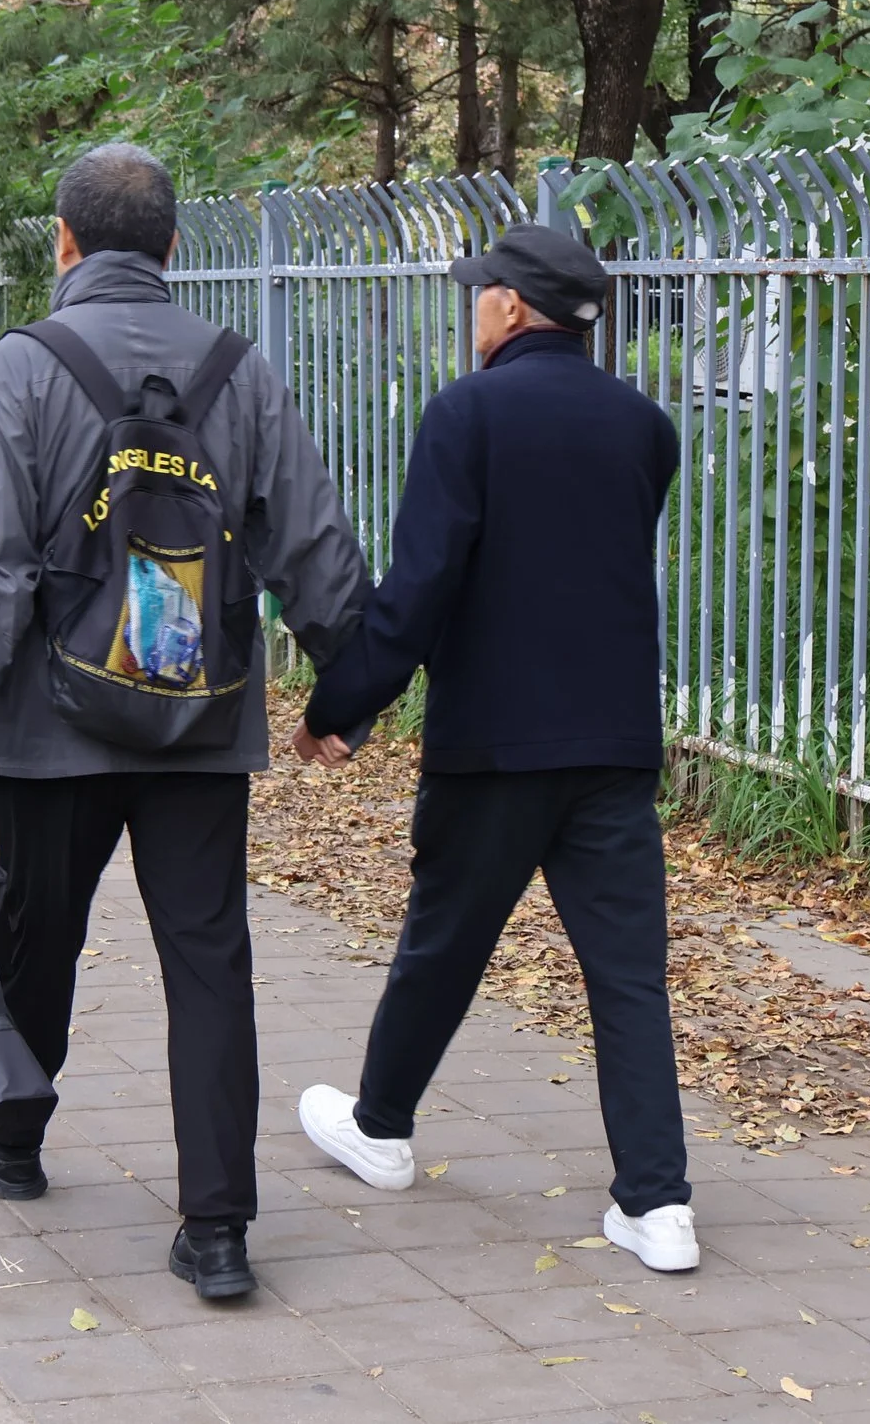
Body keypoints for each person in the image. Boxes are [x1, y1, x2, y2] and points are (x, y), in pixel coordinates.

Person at [0, 142, 370, 1302]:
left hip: (50, 726)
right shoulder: (238, 368)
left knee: (37, 933)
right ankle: (216, 1228)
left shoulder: (22, 369)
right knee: (209, 961)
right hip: (200, 724)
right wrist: (347, 693)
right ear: (172, 245)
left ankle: (9, 1136)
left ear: (62, 241)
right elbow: (311, 539)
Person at [290, 223, 701, 1274]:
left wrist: (339, 704)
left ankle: (381, 1128)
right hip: (612, 744)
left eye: (481, 291)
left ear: (511, 305)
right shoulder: (646, 427)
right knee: (627, 977)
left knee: (443, 944)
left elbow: (420, 588)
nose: (473, 304)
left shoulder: (466, 414)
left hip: (494, 743)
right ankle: (659, 1205)